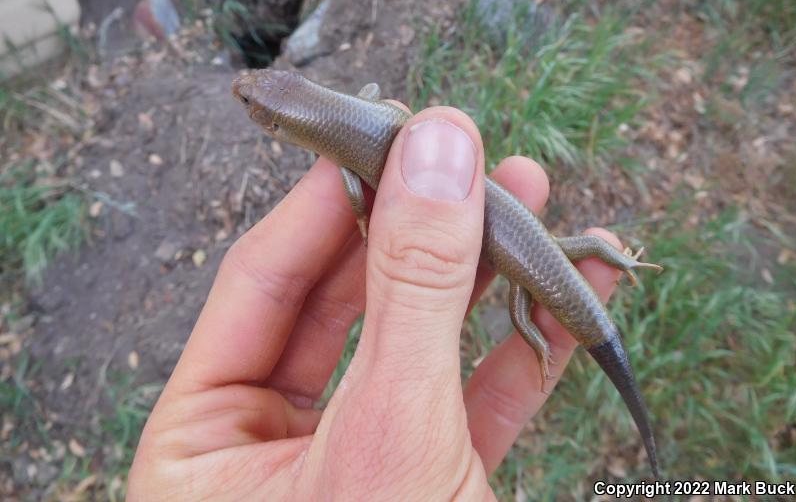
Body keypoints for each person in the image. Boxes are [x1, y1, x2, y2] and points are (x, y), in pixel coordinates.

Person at [128, 106, 624, 500]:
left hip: (522, 261)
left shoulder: (344, 163)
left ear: (278, 126)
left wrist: (369, 219)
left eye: (252, 106)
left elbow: (355, 195)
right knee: (575, 255)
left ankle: (546, 342)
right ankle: (612, 277)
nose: (244, 101)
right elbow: (372, 106)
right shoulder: (353, 117)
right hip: (528, 242)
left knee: (527, 310)